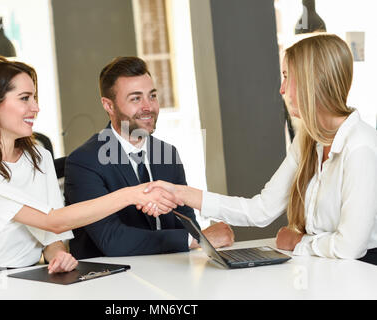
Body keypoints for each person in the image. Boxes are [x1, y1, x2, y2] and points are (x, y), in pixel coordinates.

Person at [143, 34, 377, 264]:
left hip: (362, 274)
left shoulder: (360, 146)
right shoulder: (308, 140)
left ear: (312, 81)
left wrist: (298, 242)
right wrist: (182, 193)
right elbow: (260, 210)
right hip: (325, 271)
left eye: (287, 77)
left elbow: (349, 247)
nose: (282, 89)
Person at [0, 56, 178, 276]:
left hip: (30, 275)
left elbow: (51, 234)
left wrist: (58, 255)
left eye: (34, 98)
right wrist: (132, 194)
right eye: (25, 98)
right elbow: (53, 220)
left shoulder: (38, 157)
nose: (36, 107)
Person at [64, 56, 234, 259]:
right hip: (113, 281)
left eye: (152, 96)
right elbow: (112, 240)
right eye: (136, 98)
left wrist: (196, 238)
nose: (148, 107)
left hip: (171, 270)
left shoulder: (167, 154)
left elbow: (187, 221)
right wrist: (195, 240)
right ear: (108, 106)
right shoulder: (85, 162)